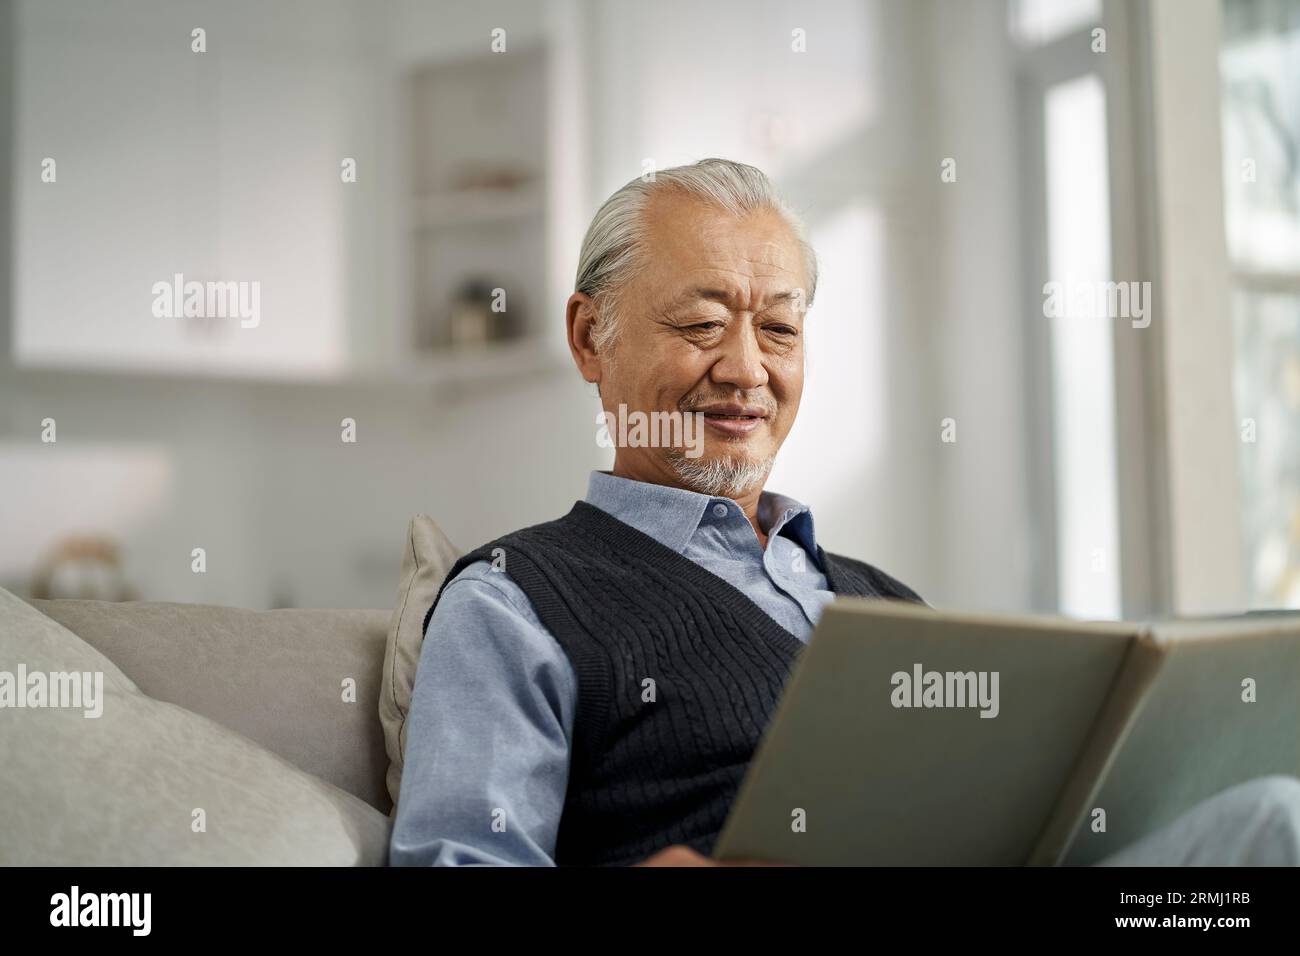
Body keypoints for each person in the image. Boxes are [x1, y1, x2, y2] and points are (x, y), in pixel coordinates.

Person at [390, 158, 1300, 867]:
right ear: (592, 337)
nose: (748, 369)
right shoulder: (515, 602)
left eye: (779, 329)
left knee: (1265, 824)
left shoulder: (887, 605)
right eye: (703, 323)